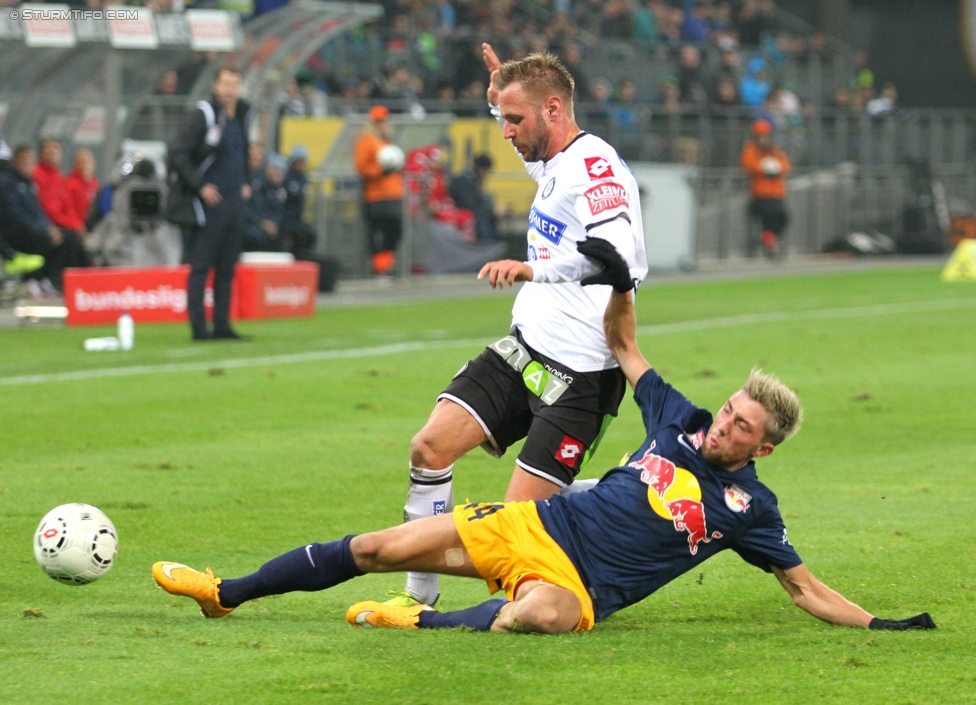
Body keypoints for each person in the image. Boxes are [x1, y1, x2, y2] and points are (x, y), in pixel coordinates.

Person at [151, 238, 936, 635]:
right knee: (377, 547)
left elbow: (803, 587)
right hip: (533, 525)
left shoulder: (750, 509)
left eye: (742, 426)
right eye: (730, 409)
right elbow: (625, 345)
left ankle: (415, 620)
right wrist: (615, 276)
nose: (724, 423)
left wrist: (882, 624)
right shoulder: (679, 419)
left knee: (545, 617)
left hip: (578, 586)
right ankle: (226, 593)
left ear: (764, 448)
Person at [386, 44, 649, 609]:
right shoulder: (554, 157)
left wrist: (535, 269)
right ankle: (416, 601)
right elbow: (532, 151)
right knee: (429, 448)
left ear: (553, 108)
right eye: (500, 119)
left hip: (581, 373)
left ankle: (621, 494)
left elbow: (617, 258)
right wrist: (496, 95)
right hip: (523, 349)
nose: (505, 133)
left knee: (515, 529)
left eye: (514, 119)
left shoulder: (596, 171)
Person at [165, 67, 255, 341]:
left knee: (227, 267)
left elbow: (244, 153)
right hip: (209, 203)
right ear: (215, 86)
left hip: (234, 200)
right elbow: (178, 153)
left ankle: (222, 324)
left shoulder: (241, 116)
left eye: (235, 84)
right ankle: (198, 326)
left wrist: (246, 182)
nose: (230, 90)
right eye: (226, 84)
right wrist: (200, 186)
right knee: (201, 264)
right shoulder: (202, 114)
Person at [0, 145, 90, 292]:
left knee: (69, 238)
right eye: (25, 162)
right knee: (48, 239)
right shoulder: (7, 184)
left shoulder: (28, 183)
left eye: (30, 162)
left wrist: (50, 228)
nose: (28, 166)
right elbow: (15, 216)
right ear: (16, 162)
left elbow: (38, 211)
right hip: (15, 232)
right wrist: (45, 230)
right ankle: (31, 279)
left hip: (33, 227)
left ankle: (61, 281)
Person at [353, 105, 404, 276]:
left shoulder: (385, 140)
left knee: (395, 230)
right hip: (375, 196)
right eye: (380, 122)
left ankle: (384, 264)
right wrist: (380, 171)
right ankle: (380, 267)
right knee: (378, 232)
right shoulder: (367, 140)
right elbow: (361, 167)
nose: (383, 125)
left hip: (393, 193)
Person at [740, 119, 790, 257]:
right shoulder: (751, 149)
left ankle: (767, 240)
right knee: (769, 217)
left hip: (777, 193)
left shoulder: (775, 149)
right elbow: (748, 165)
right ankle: (768, 244)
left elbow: (785, 166)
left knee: (782, 218)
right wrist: (764, 169)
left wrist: (775, 169)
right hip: (760, 194)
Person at [33, 139, 87, 236]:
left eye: (55, 148)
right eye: (48, 149)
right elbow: (49, 209)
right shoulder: (37, 175)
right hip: (47, 224)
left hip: (63, 224)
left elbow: (69, 207)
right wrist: (72, 225)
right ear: (41, 153)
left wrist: (77, 225)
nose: (52, 152)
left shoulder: (59, 178)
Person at [448, 153, 500, 242]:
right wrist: (492, 210)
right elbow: (470, 204)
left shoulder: (472, 180)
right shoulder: (465, 182)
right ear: (481, 169)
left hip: (467, 211)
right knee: (483, 221)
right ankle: (487, 245)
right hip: (460, 213)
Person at [243, 154, 287, 252]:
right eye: (275, 169)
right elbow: (250, 209)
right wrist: (262, 223)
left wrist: (274, 224)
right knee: (255, 235)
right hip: (253, 224)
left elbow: (279, 212)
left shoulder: (280, 191)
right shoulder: (257, 186)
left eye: (281, 171)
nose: (278, 173)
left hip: (270, 226)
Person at [281, 144, 317, 259]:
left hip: (297, 217)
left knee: (310, 235)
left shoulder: (303, 178)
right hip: (285, 217)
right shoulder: (286, 177)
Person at [65, 149, 99, 232]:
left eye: (88, 162)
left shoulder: (95, 183)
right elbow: (69, 209)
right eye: (82, 162)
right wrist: (78, 226)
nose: (86, 165)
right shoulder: (69, 184)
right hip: (76, 226)